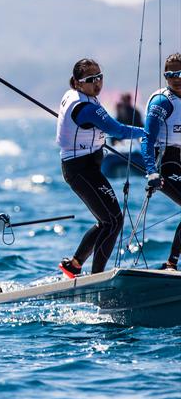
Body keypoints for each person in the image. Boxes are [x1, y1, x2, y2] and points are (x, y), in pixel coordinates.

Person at [56, 58, 146, 278]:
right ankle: (97, 276)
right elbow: (119, 131)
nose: (97, 83)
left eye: (99, 77)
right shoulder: (86, 107)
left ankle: (75, 264)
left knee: (108, 220)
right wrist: (148, 133)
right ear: (77, 83)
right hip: (81, 169)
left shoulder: (77, 95)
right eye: (90, 80)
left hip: (85, 167)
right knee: (113, 220)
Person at [140, 53, 181, 271]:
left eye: (179, 73)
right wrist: (151, 171)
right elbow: (147, 138)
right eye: (169, 74)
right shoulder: (163, 102)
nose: (175, 78)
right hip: (164, 162)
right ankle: (170, 264)